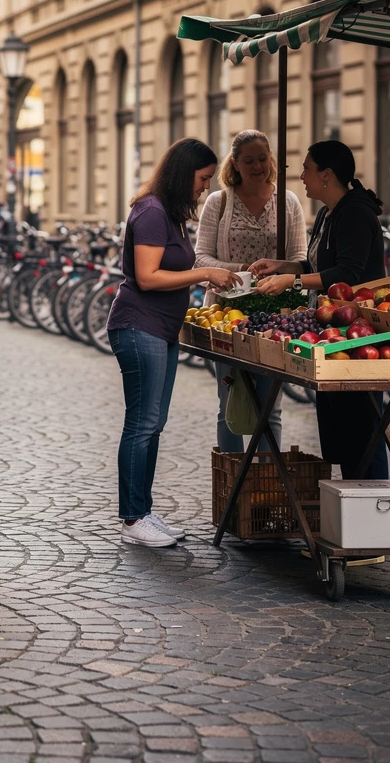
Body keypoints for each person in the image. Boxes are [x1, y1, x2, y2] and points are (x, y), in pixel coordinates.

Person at [107, 138, 239, 548]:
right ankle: (132, 518)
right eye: (202, 178)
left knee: (154, 424)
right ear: (184, 174)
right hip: (138, 326)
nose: (206, 186)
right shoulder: (151, 212)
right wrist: (205, 275)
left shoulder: (171, 213)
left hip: (161, 329)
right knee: (142, 423)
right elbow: (148, 277)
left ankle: (142, 510)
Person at [252, 140, 388, 480]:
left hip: (358, 334)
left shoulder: (356, 213)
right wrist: (282, 266)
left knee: (362, 431)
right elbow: (317, 265)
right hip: (332, 331)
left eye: (307, 169)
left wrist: (293, 281)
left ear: (326, 175)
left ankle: (371, 499)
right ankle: (349, 497)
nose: (301, 176)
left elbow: (347, 274)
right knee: (341, 427)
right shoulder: (328, 213)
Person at [195, 130, 308, 453]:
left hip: (276, 317)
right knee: (230, 405)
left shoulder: (288, 201)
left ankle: (267, 478)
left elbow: (301, 260)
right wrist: (241, 270)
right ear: (235, 163)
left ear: (271, 159)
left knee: (271, 408)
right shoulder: (218, 202)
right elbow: (201, 258)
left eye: (262, 159)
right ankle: (233, 477)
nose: (257, 166)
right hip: (226, 316)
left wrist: (279, 270)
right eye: (248, 161)